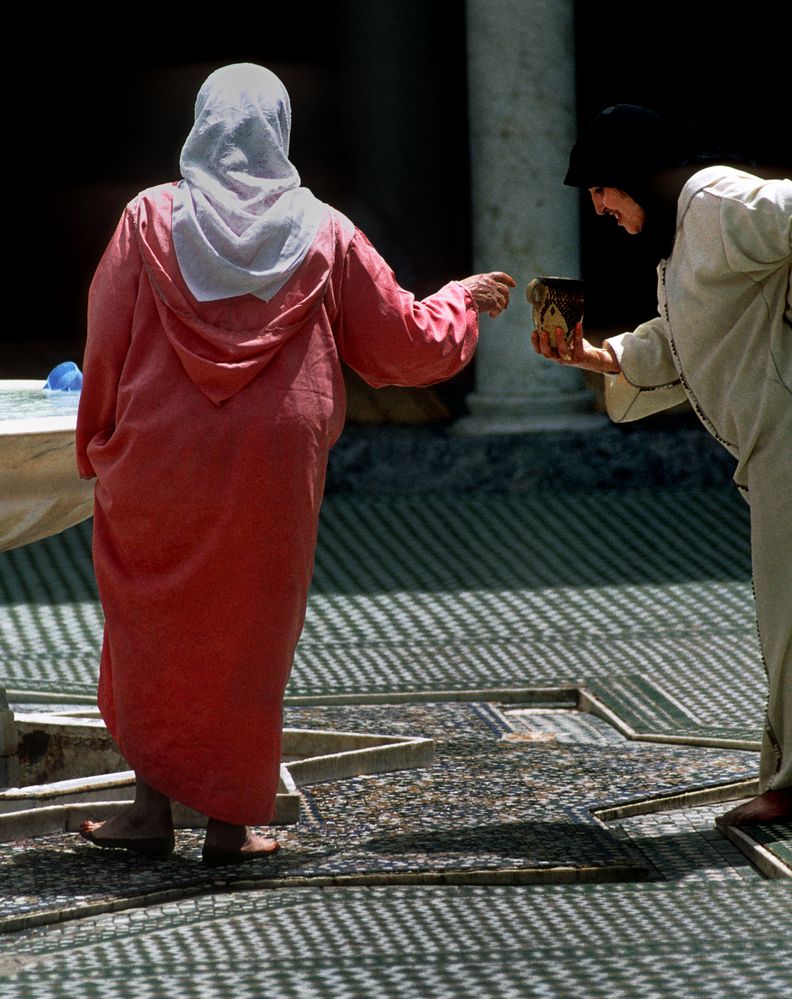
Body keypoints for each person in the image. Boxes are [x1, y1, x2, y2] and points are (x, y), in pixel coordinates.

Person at [75, 63, 515, 865]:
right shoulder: (323, 229)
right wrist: (458, 299)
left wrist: (96, 439)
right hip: (271, 466)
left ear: (203, 123)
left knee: (152, 621)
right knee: (250, 630)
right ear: (278, 131)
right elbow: (402, 345)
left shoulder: (147, 220)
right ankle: (229, 825)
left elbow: (105, 340)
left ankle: (148, 809)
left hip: (159, 455)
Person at [531, 104, 791, 827]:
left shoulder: (719, 202)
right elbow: (685, 339)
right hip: (773, 449)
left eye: (601, 189)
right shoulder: (690, 233)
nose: (598, 207)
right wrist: (599, 354)